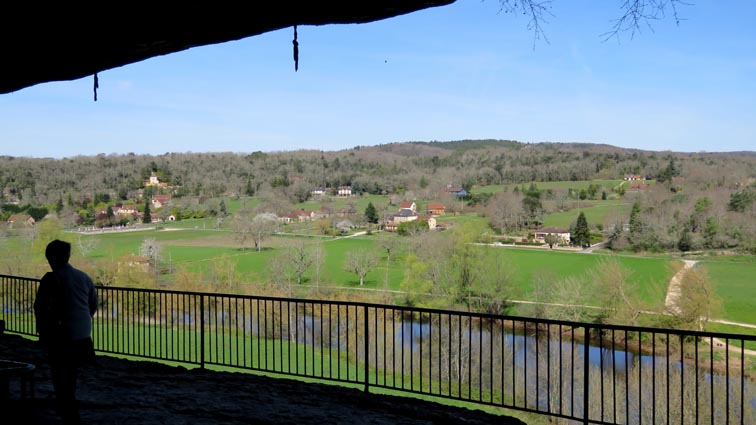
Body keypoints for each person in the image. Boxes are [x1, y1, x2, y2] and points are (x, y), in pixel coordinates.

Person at [34, 239, 98, 424]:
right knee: (71, 372)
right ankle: (69, 404)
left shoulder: (51, 279)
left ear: (50, 258)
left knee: (60, 372)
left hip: (62, 335)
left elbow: (40, 308)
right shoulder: (84, 277)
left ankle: (66, 408)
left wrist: (43, 333)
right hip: (82, 335)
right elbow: (92, 306)